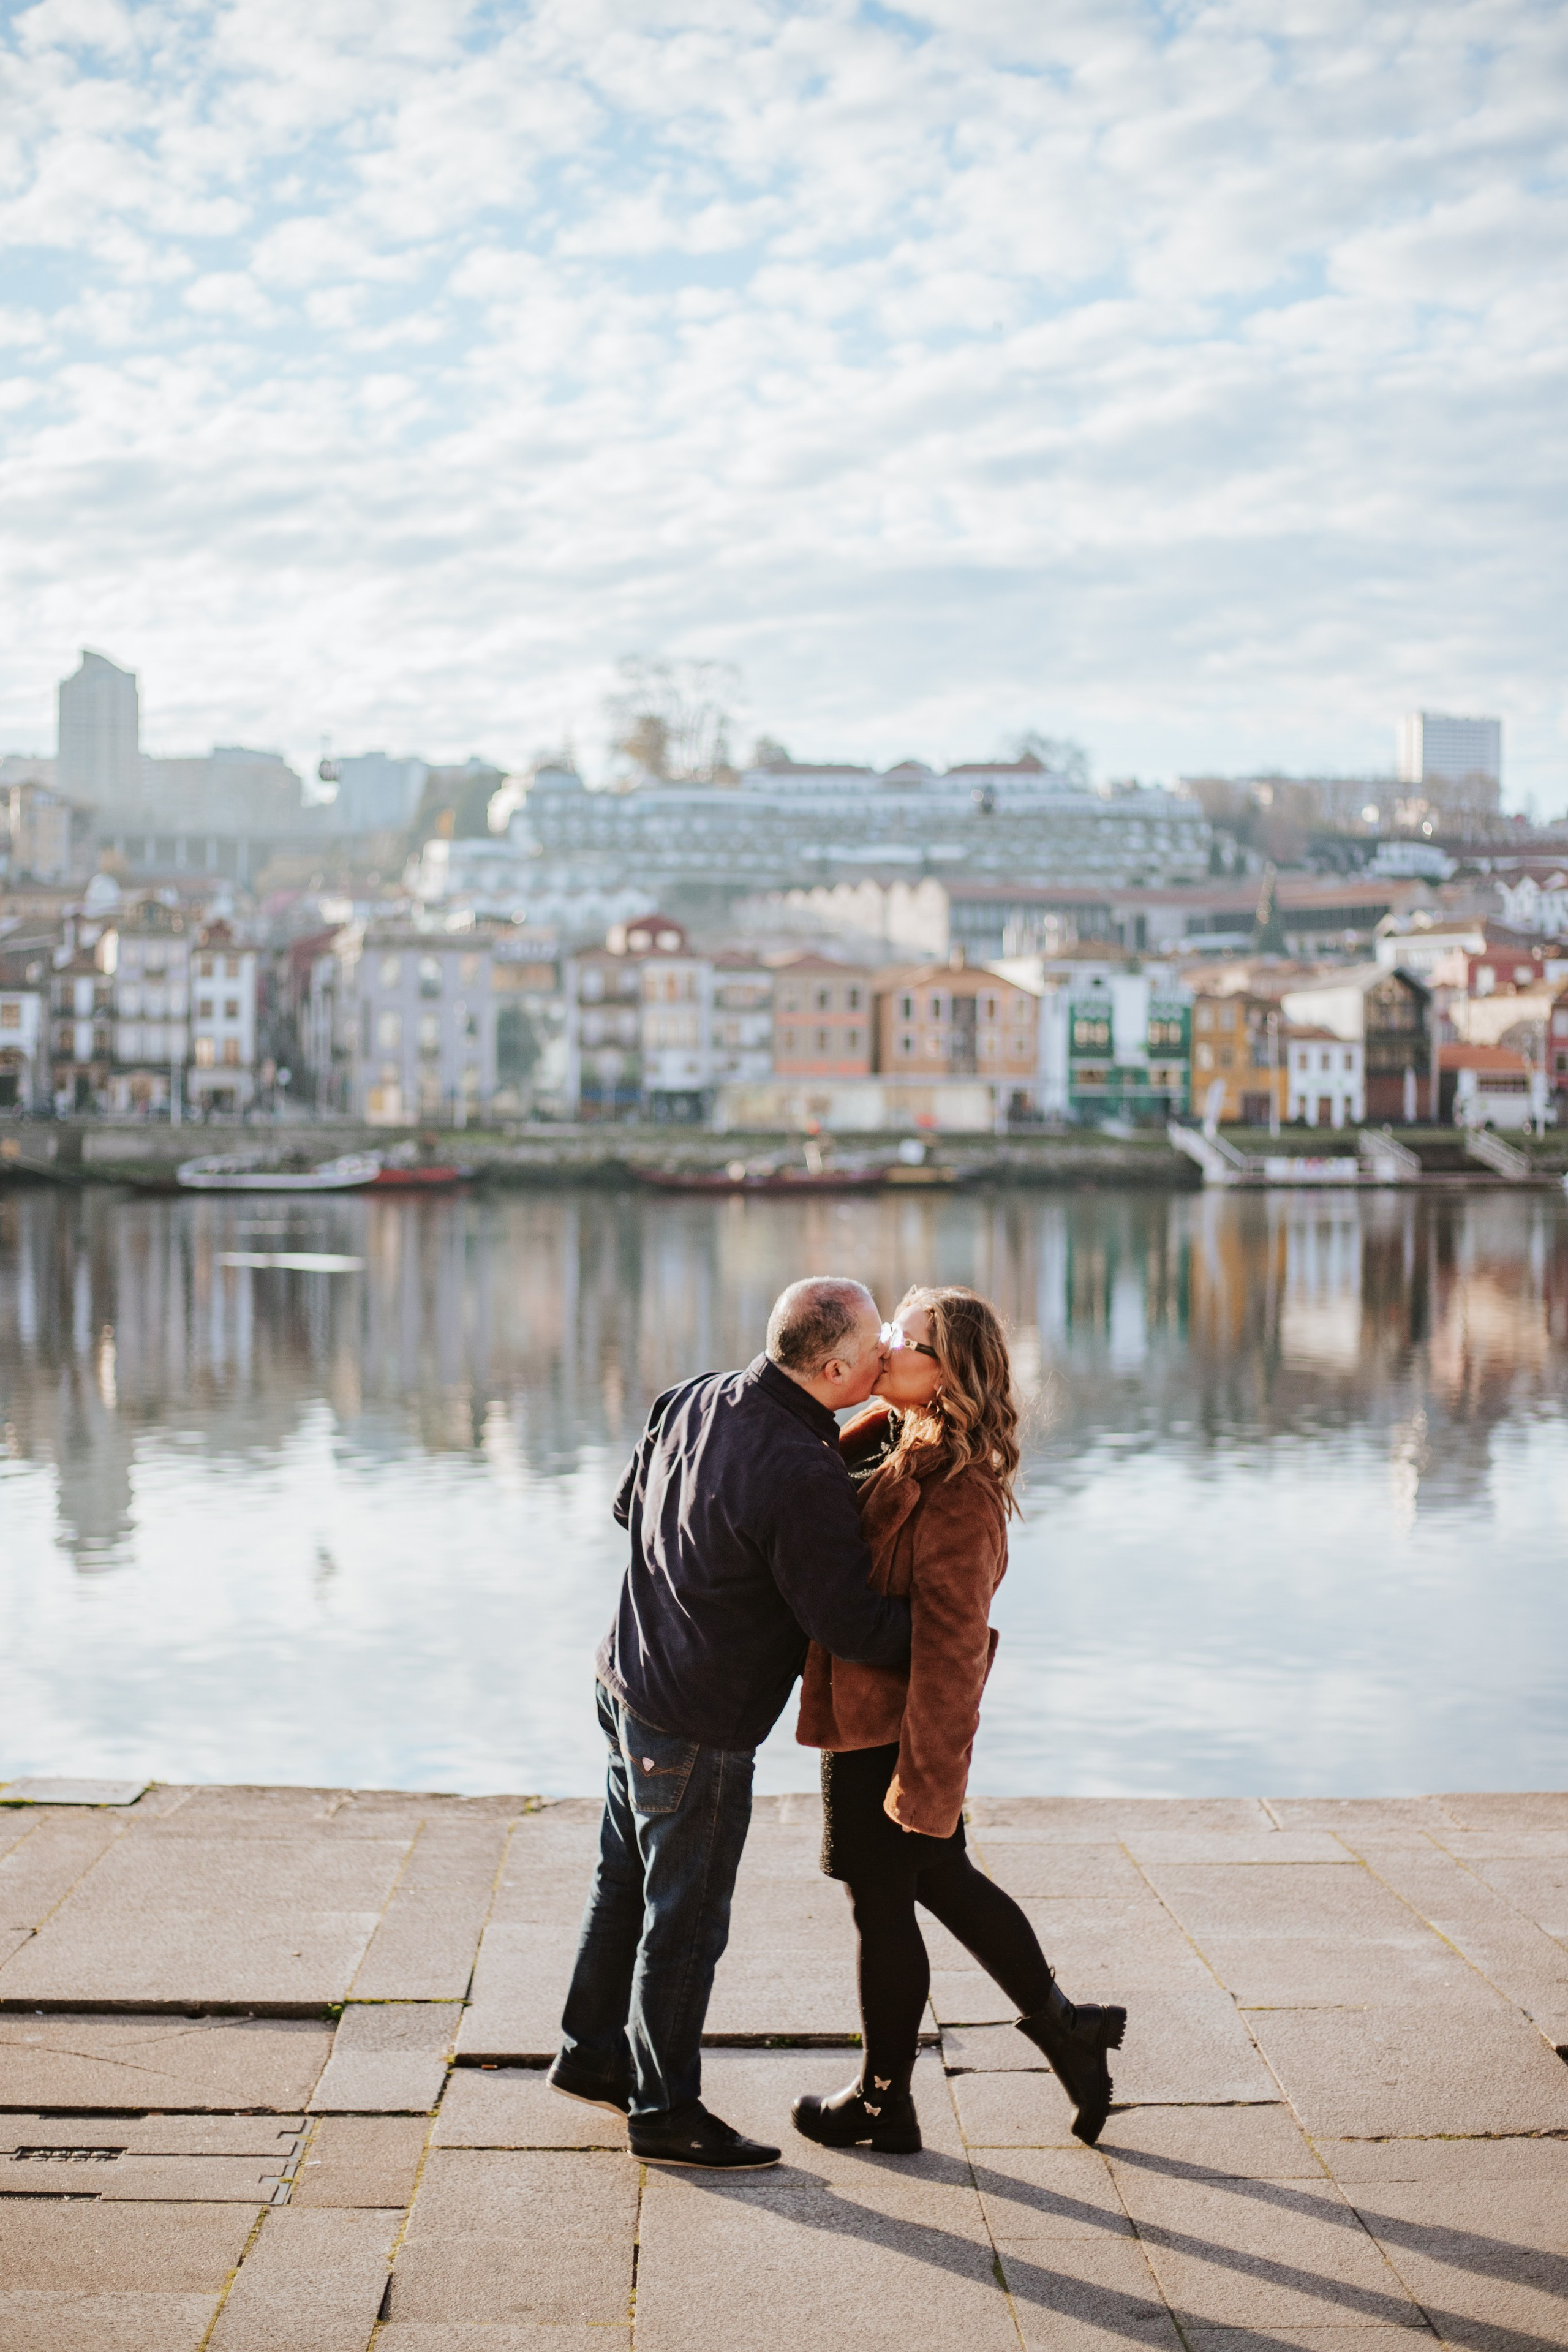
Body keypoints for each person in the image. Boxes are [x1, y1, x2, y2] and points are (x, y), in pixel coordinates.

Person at [549, 1276, 912, 2171]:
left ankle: (592, 2054)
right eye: (876, 1347)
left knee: (622, 1881)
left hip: (624, 1676)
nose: (889, 1353)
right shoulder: (799, 1469)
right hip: (697, 1722)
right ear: (835, 1366)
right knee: (687, 1921)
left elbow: (628, 1508)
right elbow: (851, 1626)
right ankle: (665, 2112)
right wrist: (951, 1627)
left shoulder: (698, 1393)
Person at [793, 1284, 1127, 2154]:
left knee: (886, 1905)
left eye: (910, 1341)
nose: (888, 1347)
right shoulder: (899, 1440)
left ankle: (882, 2099)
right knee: (942, 1884)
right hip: (867, 1715)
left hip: (894, 1733)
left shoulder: (963, 1493)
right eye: (894, 1332)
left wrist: (925, 1783)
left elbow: (954, 1651)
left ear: (949, 1376)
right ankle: (1065, 2030)